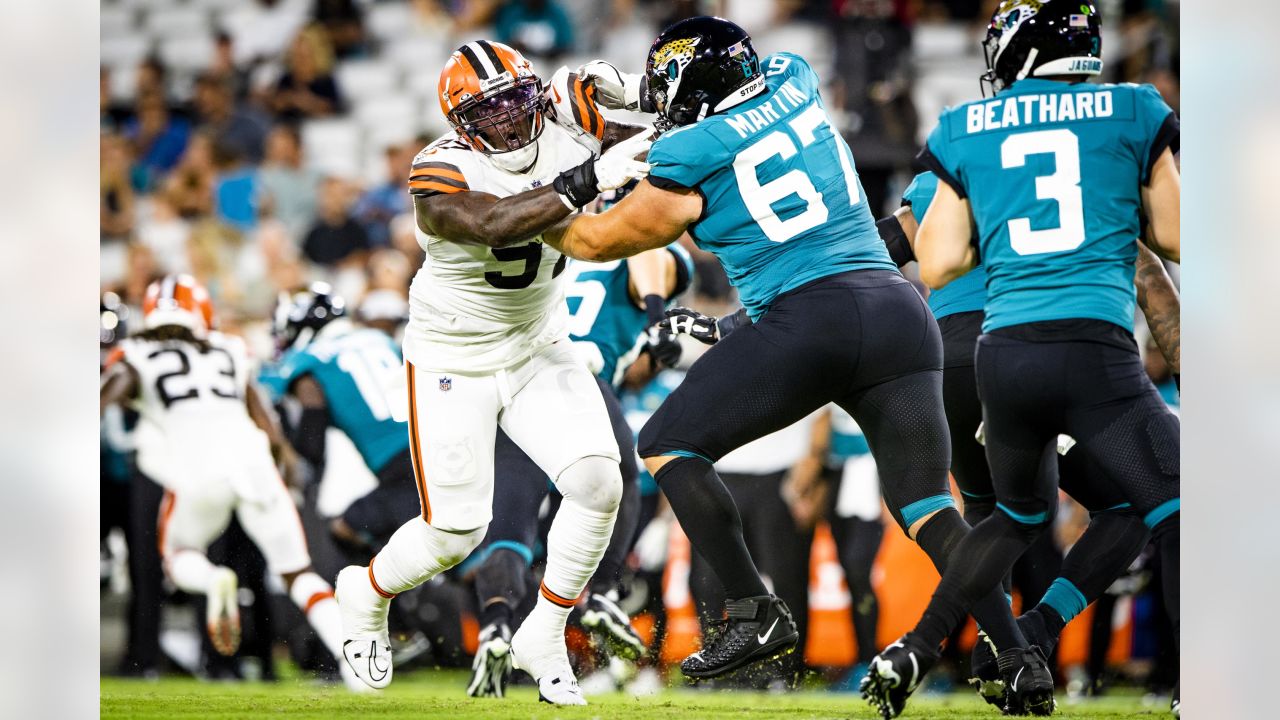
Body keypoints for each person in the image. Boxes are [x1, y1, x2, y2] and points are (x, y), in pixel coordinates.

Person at [553, 15, 1021, 682]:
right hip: (896, 308)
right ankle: (1022, 654)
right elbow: (711, 103)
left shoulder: (685, 156)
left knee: (667, 444)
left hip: (811, 315)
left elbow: (595, 241)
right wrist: (632, 94)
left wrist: (546, 197)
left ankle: (753, 610)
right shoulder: (793, 78)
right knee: (927, 507)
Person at [860, 2, 1180, 716]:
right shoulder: (1118, 125)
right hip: (1062, 340)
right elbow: (1159, 272)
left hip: (961, 361)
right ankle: (1030, 643)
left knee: (1004, 521)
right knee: (1143, 502)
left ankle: (996, 658)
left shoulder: (966, 139)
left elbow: (904, 249)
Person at [332, 39, 654, 705]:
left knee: (599, 481)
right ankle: (363, 593)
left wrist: (646, 98)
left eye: (516, 98)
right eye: (490, 109)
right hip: (455, 357)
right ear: (461, 125)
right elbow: (496, 224)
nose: (509, 119)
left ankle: (546, 629)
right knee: (456, 531)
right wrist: (591, 176)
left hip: (539, 341)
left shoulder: (569, 114)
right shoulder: (437, 172)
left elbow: (664, 129)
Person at [466, 210, 693, 698]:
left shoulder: (555, 246)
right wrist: (656, 315)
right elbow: (650, 250)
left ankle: (496, 628)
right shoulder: (638, 251)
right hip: (575, 377)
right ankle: (604, 593)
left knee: (510, 532)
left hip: (515, 386)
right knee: (620, 478)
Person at [98, 275, 363, 691]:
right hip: (254, 465)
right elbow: (264, 419)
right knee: (299, 574)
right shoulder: (228, 349)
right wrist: (285, 462)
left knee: (179, 555)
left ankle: (211, 579)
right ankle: (356, 666)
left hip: (196, 472)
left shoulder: (136, 353)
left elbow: (106, 396)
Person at [260, 284, 419, 557]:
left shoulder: (307, 360)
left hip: (400, 468)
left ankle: (405, 597)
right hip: (435, 444)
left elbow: (311, 446)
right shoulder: (377, 338)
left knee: (347, 529)